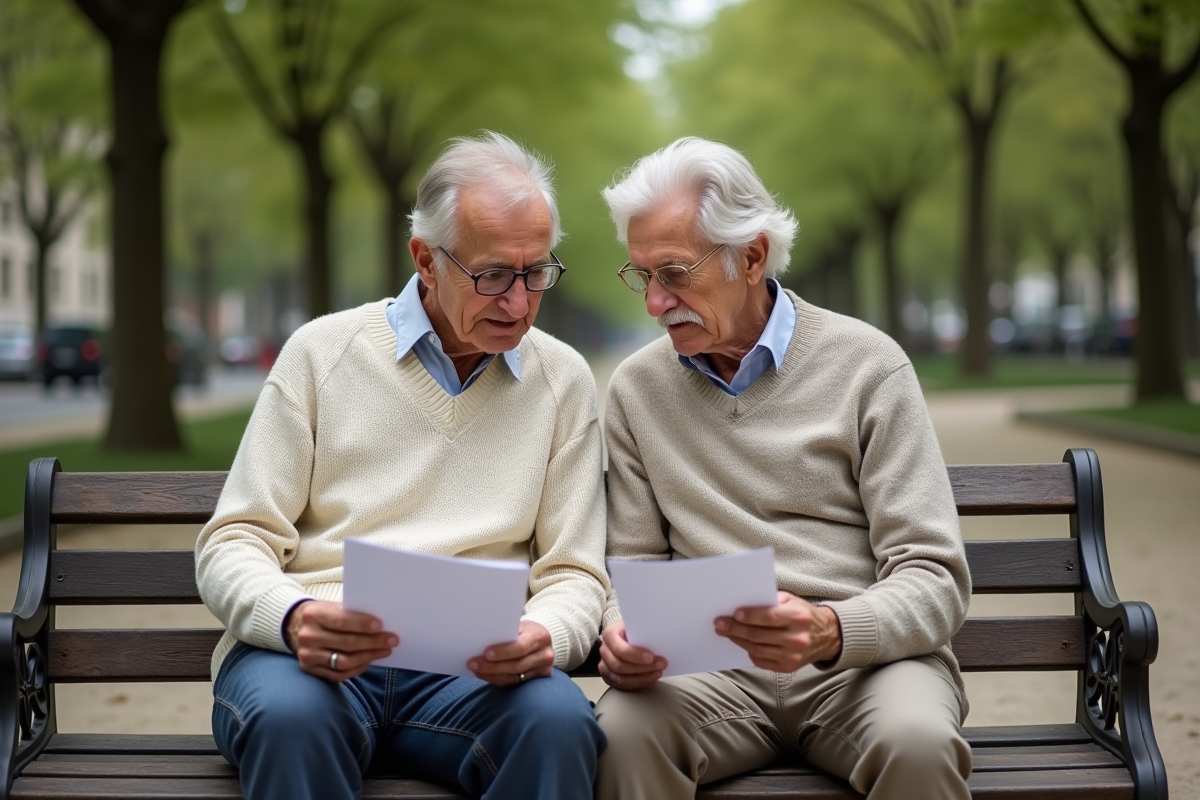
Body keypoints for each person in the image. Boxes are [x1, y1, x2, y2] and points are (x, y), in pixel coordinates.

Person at [195, 132, 608, 800]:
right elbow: (233, 541)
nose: (518, 302)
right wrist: (294, 615)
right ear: (425, 258)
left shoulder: (563, 380)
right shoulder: (321, 353)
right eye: (494, 274)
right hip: (311, 658)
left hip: (475, 670)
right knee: (292, 720)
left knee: (559, 722)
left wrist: (547, 635)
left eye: (537, 273)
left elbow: (574, 571)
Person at [594, 137, 973, 800]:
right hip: (705, 675)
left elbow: (934, 578)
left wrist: (831, 629)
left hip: (863, 669)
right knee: (619, 735)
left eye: (675, 273)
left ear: (752, 254)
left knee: (919, 746)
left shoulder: (869, 366)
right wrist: (623, 630)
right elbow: (633, 567)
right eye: (642, 275)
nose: (654, 302)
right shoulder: (635, 390)